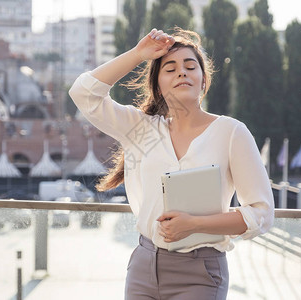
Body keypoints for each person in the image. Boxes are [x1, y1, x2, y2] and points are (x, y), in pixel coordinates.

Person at [69, 28, 274, 300]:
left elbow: (262, 213)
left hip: (200, 272)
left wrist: (195, 224)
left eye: (191, 66)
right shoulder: (142, 130)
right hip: (144, 267)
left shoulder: (231, 132)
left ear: (203, 82)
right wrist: (138, 54)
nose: (182, 72)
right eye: (170, 68)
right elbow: (83, 93)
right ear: (157, 86)